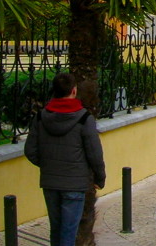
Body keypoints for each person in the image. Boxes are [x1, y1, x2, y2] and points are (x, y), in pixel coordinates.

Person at [25, 73, 106, 246]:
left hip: (50, 182)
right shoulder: (84, 119)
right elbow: (95, 153)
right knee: (69, 231)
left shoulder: (40, 117)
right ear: (74, 91)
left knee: (56, 229)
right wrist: (100, 178)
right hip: (75, 184)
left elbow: (30, 150)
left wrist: (49, 164)